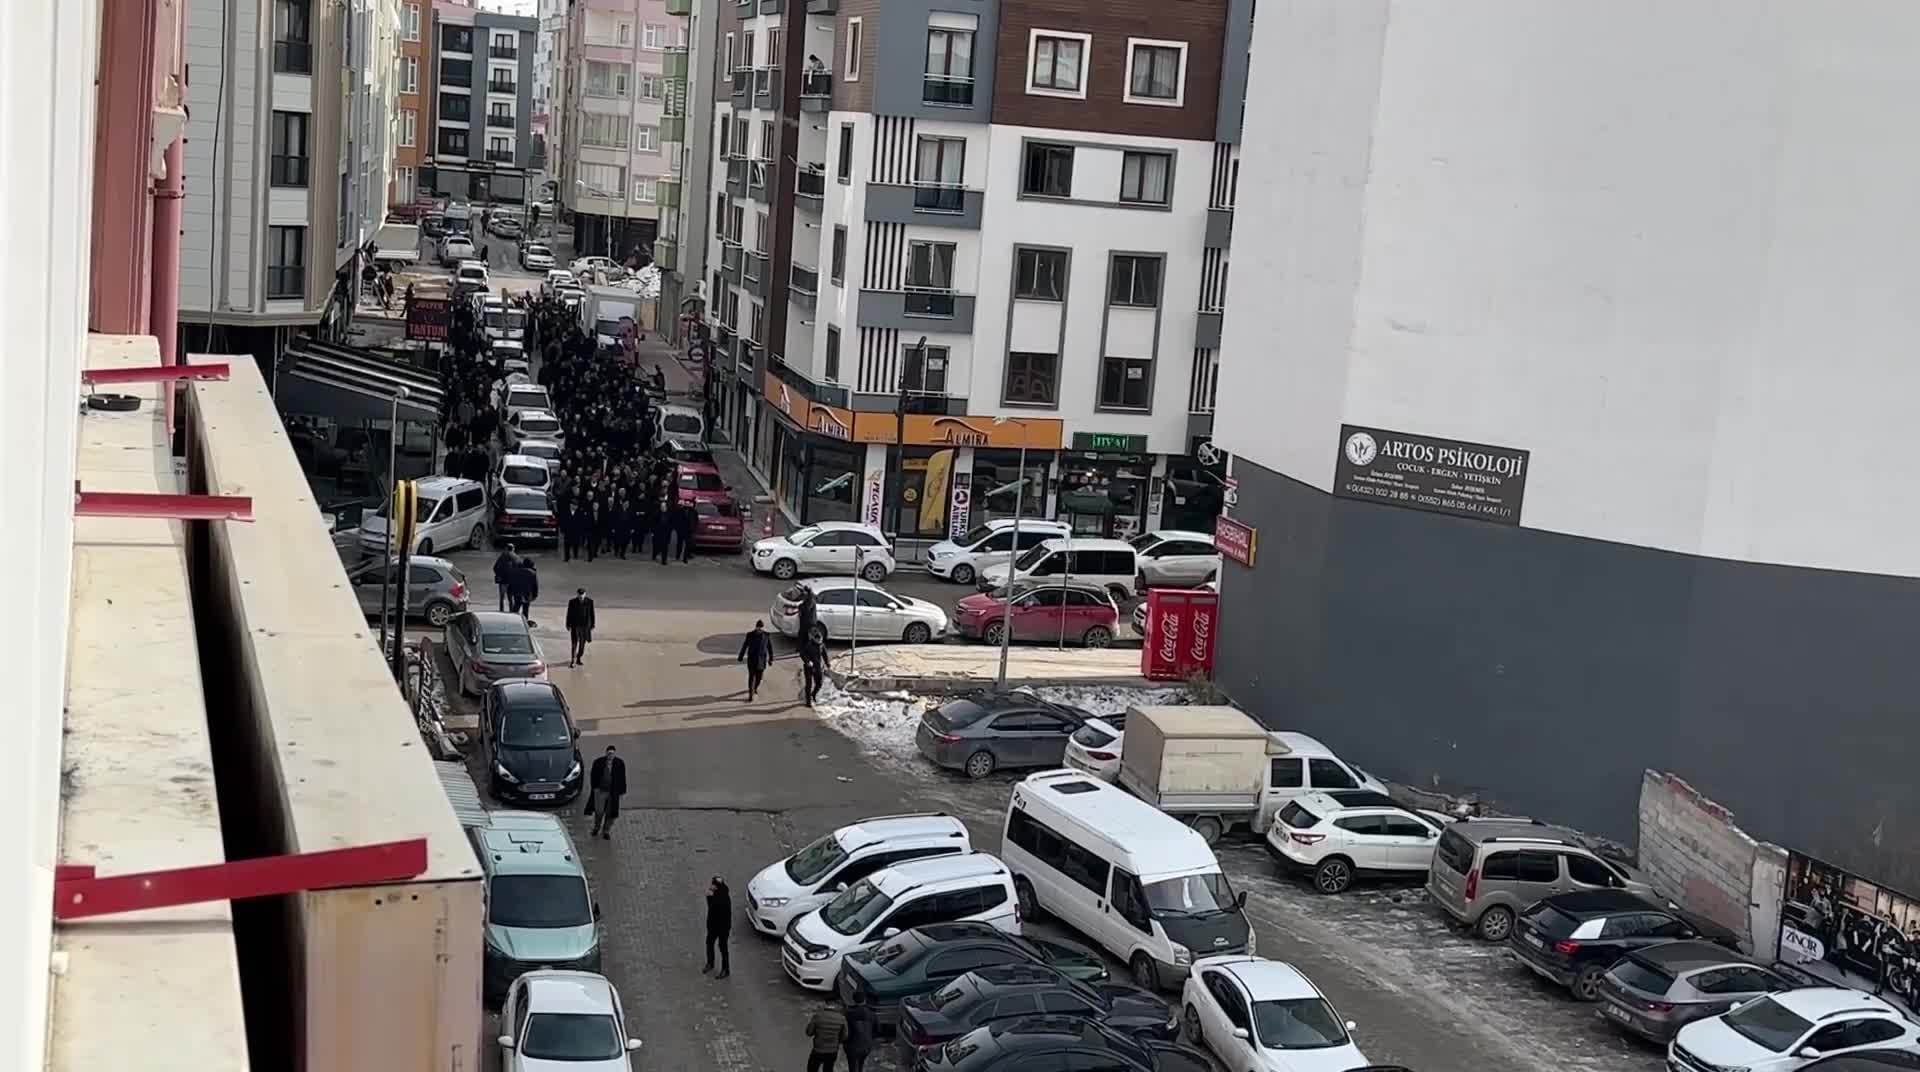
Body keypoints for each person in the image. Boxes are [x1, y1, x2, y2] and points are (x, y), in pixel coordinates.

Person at [583, 745, 626, 839]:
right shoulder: (598, 762)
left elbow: (622, 778)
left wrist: (622, 791)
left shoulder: (619, 763)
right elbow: (593, 775)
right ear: (606, 753)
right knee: (599, 811)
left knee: (611, 813)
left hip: (613, 792)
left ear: (615, 754)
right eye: (609, 753)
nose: (610, 755)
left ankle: (606, 830)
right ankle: (596, 827)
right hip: (600, 791)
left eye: (612, 753)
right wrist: (595, 788)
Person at [803, 998, 847, 1072]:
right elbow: (845, 1036)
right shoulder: (842, 1018)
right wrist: (837, 1042)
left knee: (812, 1069)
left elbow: (809, 1033)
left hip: (818, 1049)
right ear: (835, 1005)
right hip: (832, 1050)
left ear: (825, 1003)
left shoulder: (818, 1016)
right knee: (828, 1069)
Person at [703, 875, 732, 978]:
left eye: (713, 885)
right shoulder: (716, 894)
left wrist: (709, 898)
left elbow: (714, 909)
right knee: (709, 942)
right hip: (713, 926)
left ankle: (726, 969)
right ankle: (710, 963)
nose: (711, 886)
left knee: (722, 947)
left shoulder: (723, 898)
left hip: (722, 927)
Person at [738, 620, 772, 701]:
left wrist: (771, 659)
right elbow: (745, 646)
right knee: (751, 677)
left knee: (759, 678)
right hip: (752, 660)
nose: (759, 629)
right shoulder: (749, 635)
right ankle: (751, 693)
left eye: (761, 628)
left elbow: (770, 648)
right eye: (758, 627)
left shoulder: (766, 636)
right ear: (756, 627)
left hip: (761, 660)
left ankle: (755, 687)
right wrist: (741, 656)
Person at [842, 993, 876, 1072]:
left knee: (852, 1066)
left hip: (852, 1047)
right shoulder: (872, 1014)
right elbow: (877, 1031)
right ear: (865, 1000)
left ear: (853, 1000)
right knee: (861, 1064)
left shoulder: (848, 1014)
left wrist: (844, 1042)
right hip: (866, 1046)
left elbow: (845, 1031)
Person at [566, 587, 595, 667]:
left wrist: (593, 625)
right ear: (577, 594)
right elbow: (569, 614)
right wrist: (568, 624)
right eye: (579, 595)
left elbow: (592, 614)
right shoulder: (572, 602)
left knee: (582, 645)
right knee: (574, 643)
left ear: (585, 594)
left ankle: (578, 658)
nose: (581, 596)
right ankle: (573, 660)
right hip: (575, 625)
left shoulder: (590, 602)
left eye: (582, 594)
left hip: (585, 626)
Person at [508, 556, 539, 622]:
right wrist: (535, 595)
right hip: (527, 595)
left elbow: (512, 583)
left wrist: (510, 593)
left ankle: (512, 621)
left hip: (517, 594)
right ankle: (524, 623)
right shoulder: (532, 573)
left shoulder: (516, 571)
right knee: (525, 610)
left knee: (516, 608)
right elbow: (535, 585)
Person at [799, 631, 826, 708]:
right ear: (814, 639)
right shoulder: (809, 645)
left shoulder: (822, 645)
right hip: (809, 668)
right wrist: (807, 661)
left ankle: (813, 694)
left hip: (817, 667)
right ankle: (808, 701)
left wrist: (827, 663)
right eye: (818, 640)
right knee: (809, 685)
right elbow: (802, 654)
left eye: (820, 640)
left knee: (819, 683)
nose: (819, 641)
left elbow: (824, 654)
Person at [492, 543, 518, 611]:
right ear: (513, 549)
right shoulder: (516, 557)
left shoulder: (502, 556)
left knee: (502, 598)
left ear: (506, 548)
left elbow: (495, 567)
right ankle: (511, 611)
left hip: (503, 580)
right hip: (512, 581)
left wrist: (499, 575)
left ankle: (501, 611)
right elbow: (519, 569)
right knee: (511, 598)